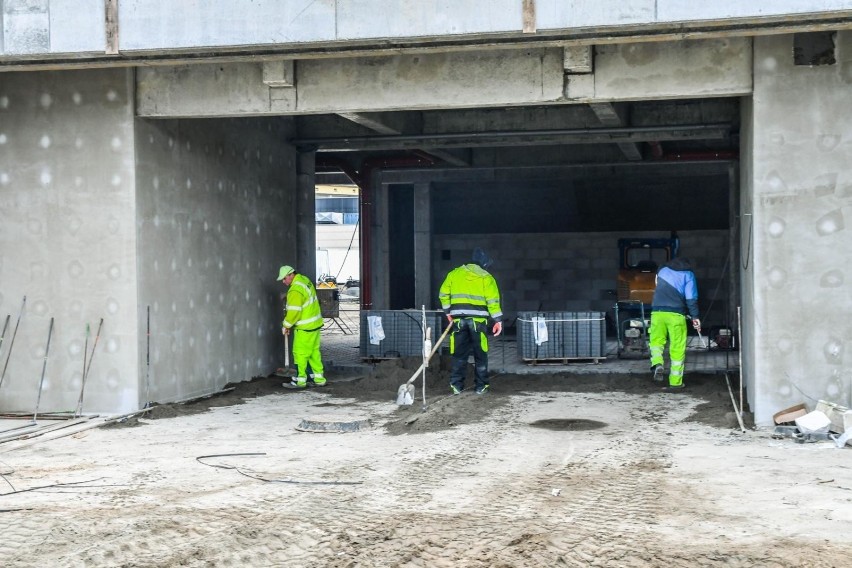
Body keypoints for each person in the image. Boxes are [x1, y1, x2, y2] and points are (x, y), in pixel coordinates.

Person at [438, 248, 503, 395]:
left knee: (459, 355)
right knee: (481, 355)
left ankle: (456, 386)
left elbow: (443, 294)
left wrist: (448, 312)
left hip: (459, 321)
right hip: (478, 323)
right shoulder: (486, 277)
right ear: (484, 264)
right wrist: (497, 320)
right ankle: (481, 387)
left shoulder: (454, 274)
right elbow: (493, 301)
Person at [649, 257, 700, 390]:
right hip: (676, 315)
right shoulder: (688, 274)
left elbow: (656, 286)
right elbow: (691, 297)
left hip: (657, 312)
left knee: (656, 342)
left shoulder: (662, 270)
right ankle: (675, 382)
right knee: (677, 348)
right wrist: (695, 317)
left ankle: (657, 363)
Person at [277, 265, 326, 389]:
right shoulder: (304, 280)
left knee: (300, 354)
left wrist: (286, 325)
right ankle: (319, 379)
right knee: (314, 353)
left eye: (284, 279)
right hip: (315, 325)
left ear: (290, 275)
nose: (283, 282)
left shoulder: (295, 290)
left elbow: (294, 311)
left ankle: (300, 381)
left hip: (305, 327)